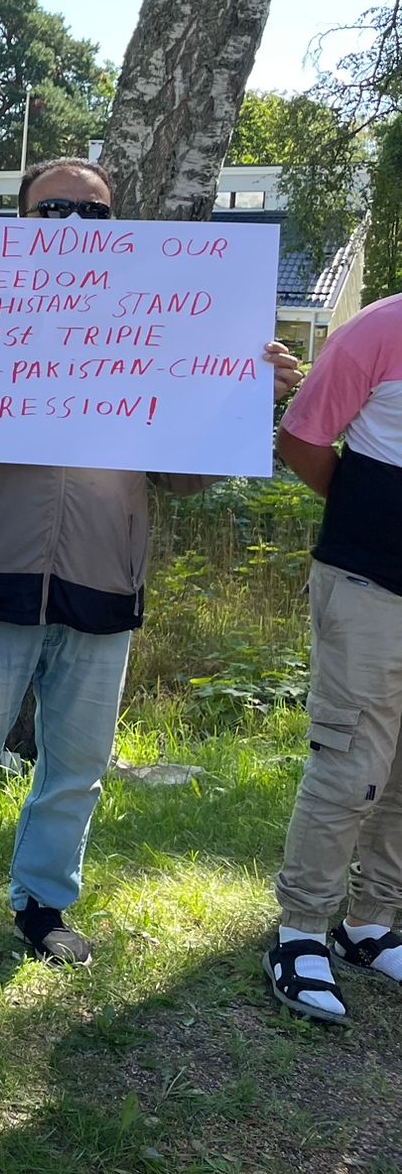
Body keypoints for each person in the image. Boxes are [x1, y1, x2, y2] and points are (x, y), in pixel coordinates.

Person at [0, 158, 302, 982]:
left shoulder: (156, 326)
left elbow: (183, 475)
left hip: (106, 583)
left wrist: (254, 399)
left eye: (92, 210)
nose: (72, 223)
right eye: (53, 208)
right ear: (20, 219)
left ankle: (44, 906)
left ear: (115, 224)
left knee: (74, 766)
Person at [265, 290, 402, 1023]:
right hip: (369, 582)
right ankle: (300, 932)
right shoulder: (380, 329)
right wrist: (365, 517)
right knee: (351, 764)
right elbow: (302, 439)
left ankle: (371, 925)